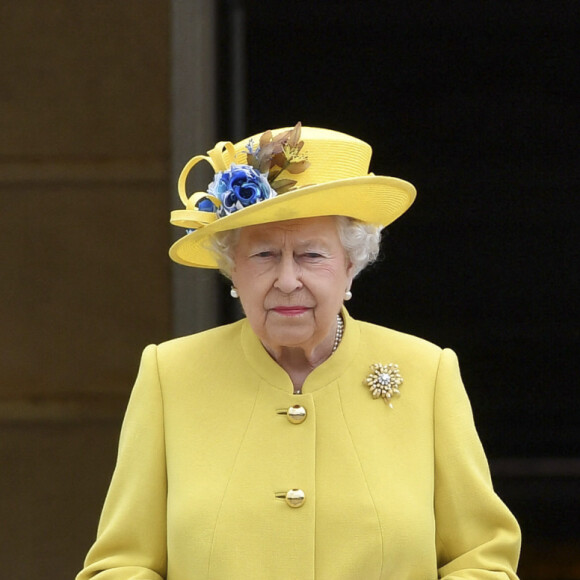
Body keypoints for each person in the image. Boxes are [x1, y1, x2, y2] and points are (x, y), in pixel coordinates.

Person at [77, 124, 521, 579]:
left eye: (312, 256)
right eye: (264, 255)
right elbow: (121, 565)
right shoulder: (170, 375)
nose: (288, 280)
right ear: (233, 271)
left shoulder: (427, 374)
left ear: (351, 266)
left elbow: (482, 561)